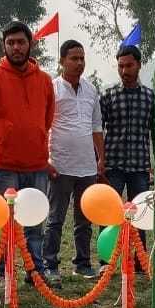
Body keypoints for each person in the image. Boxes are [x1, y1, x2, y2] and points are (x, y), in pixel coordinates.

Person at [0, 21, 56, 278]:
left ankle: (36, 273)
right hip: (5, 167)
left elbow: (47, 118)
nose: (16, 47)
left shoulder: (44, 80)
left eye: (21, 42)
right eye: (11, 43)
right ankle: (4, 274)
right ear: (4, 46)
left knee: (35, 224)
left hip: (37, 166)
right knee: (5, 224)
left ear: (30, 44)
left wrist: (36, 140)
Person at [46, 39, 104, 286]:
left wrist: (101, 158)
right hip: (59, 164)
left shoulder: (91, 90)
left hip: (87, 166)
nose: (79, 63)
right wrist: (45, 159)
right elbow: (42, 125)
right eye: (74, 58)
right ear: (62, 61)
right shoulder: (51, 89)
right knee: (55, 218)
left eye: (82, 58)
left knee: (85, 219)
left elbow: (96, 126)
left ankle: (82, 264)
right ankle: (50, 265)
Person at [99, 45, 155, 213]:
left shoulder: (150, 97)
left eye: (129, 65)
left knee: (139, 215)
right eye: (121, 66)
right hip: (112, 167)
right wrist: (99, 161)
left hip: (140, 167)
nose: (124, 71)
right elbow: (97, 130)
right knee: (109, 214)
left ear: (139, 65)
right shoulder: (108, 96)